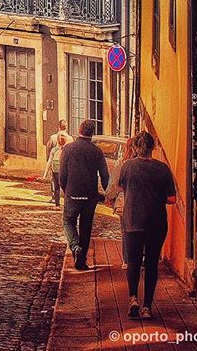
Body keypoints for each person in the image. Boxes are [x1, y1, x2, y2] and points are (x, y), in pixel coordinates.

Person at [118, 130, 176, 320]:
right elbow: (172, 199)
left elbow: (121, 187)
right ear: (153, 147)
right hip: (156, 222)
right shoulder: (163, 168)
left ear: (135, 148)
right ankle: (147, 307)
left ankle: (133, 298)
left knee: (133, 261)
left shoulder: (127, 167)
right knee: (151, 263)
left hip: (133, 220)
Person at [59, 119, 109, 271]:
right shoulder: (97, 151)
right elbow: (105, 176)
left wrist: (66, 190)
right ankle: (81, 261)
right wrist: (108, 194)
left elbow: (62, 175)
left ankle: (75, 246)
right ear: (92, 133)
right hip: (90, 196)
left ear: (79, 129)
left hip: (73, 193)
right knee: (86, 227)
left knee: (68, 221)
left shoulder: (68, 149)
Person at [105, 136, 136, 269]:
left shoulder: (121, 163)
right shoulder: (146, 164)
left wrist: (110, 197)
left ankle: (127, 260)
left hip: (124, 201)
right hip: (141, 202)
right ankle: (140, 258)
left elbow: (113, 183)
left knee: (125, 231)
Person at [46, 120, 74, 202]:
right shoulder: (70, 138)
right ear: (66, 127)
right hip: (66, 164)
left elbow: (48, 149)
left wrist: (49, 161)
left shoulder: (53, 137)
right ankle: (67, 199)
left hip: (55, 163)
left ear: (59, 127)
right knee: (66, 182)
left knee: (55, 182)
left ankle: (55, 198)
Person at [43, 131, 70, 207]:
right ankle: (59, 204)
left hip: (61, 171)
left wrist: (45, 173)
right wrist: (45, 173)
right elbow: (50, 161)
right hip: (56, 171)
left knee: (62, 188)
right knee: (59, 188)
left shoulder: (66, 150)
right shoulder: (55, 150)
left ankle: (63, 204)